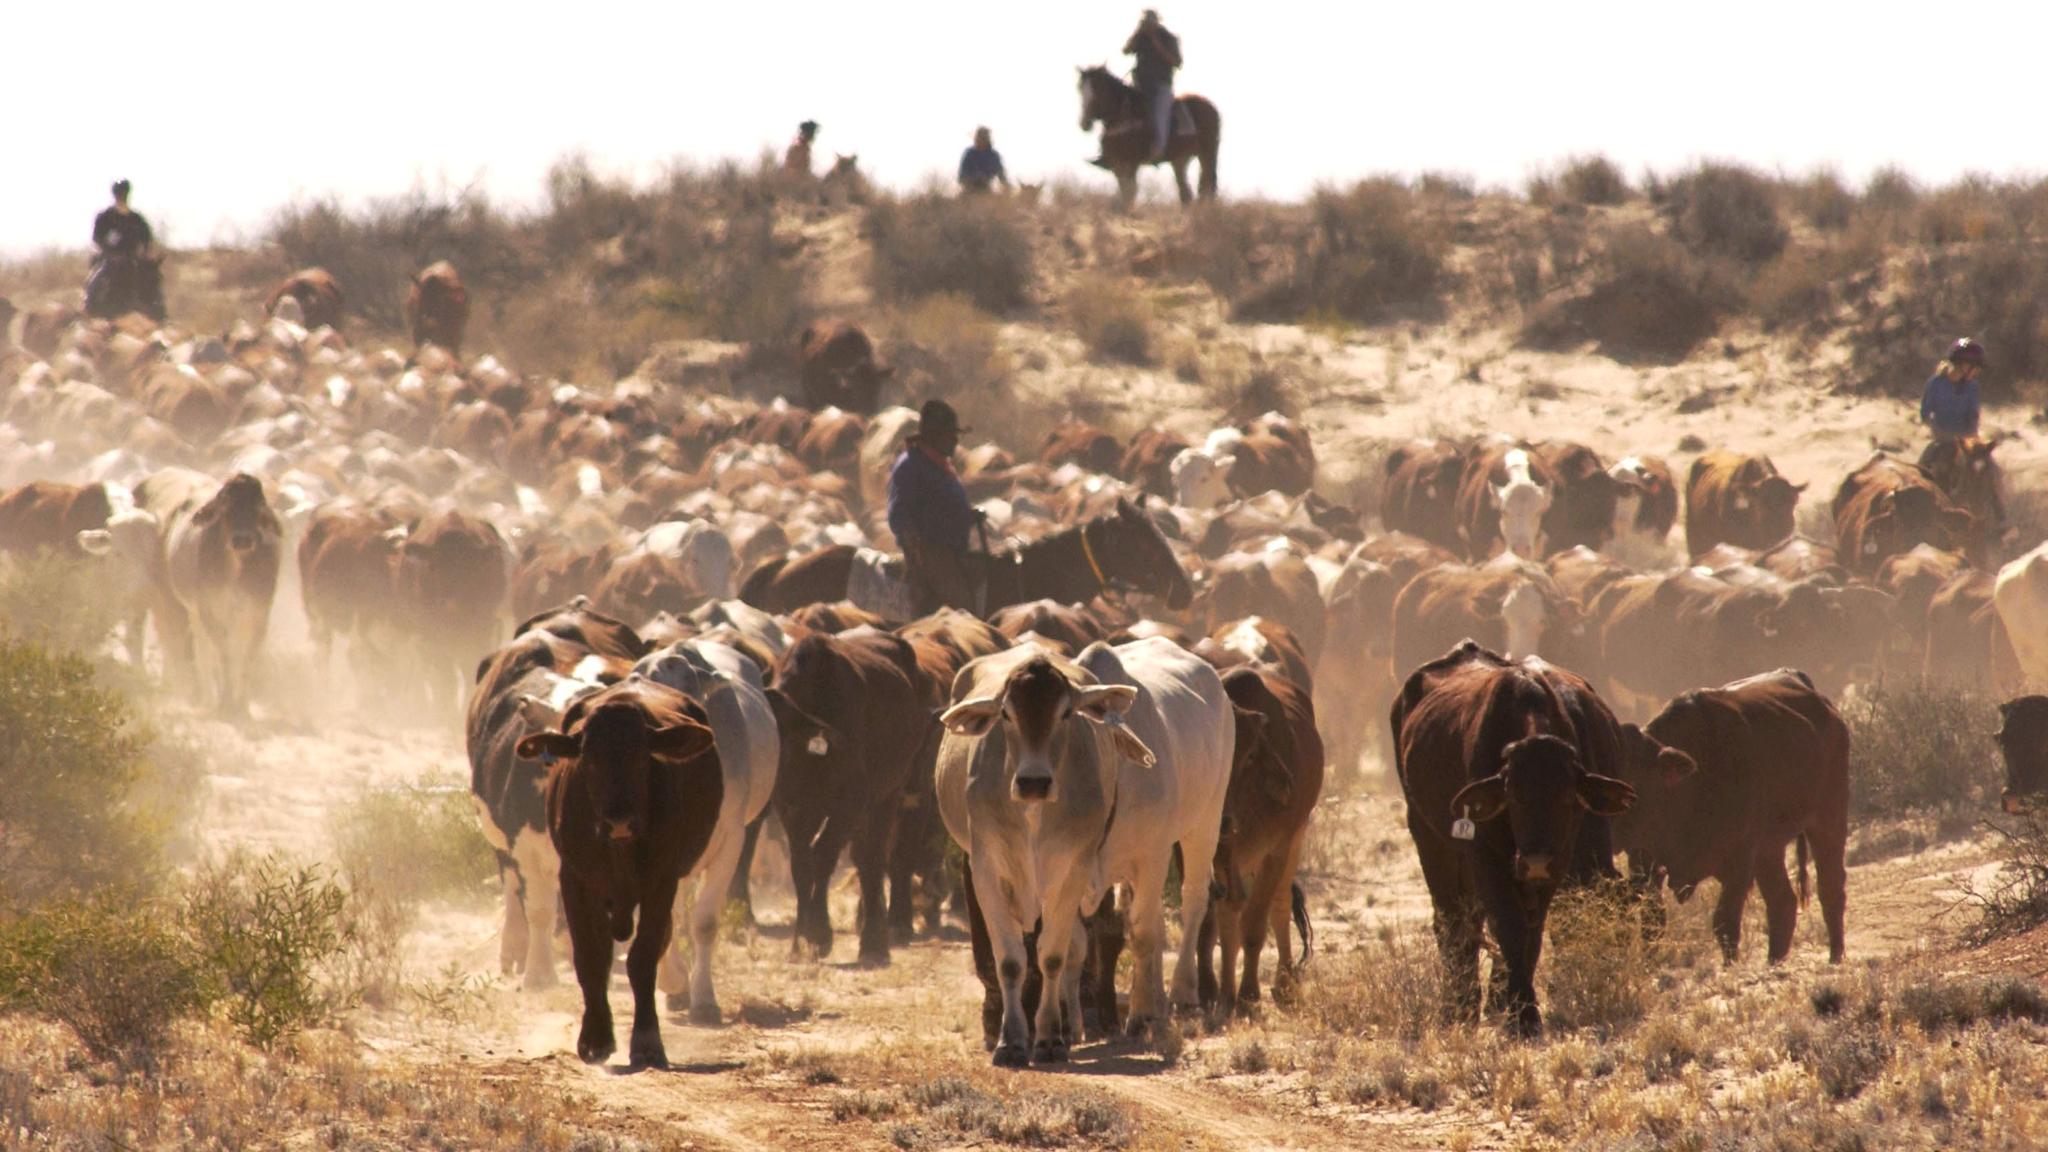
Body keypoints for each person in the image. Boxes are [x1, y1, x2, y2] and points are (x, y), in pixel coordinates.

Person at [887, 399, 983, 613]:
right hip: (931, 553)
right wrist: (917, 554)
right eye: (950, 434)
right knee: (963, 606)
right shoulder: (910, 465)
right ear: (935, 436)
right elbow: (899, 514)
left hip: (952, 550)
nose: (956, 440)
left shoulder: (939, 463)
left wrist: (968, 515)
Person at [1123, 9, 1182, 161]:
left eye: (1149, 23)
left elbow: (1176, 62)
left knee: (1159, 114)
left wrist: (1157, 44)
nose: (1147, 26)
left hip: (1161, 86)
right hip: (1140, 84)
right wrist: (1137, 33)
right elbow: (1126, 50)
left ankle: (1159, 147)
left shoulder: (1168, 38)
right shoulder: (1140, 37)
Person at [1921, 337, 1984, 441]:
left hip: (1964, 442)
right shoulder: (1935, 383)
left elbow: (1973, 417)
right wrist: (1936, 430)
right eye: (1974, 367)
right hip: (1941, 440)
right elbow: (1925, 414)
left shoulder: (1973, 387)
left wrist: (1971, 436)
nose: (1976, 371)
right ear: (1963, 365)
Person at [957, 127, 1010, 195]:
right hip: (969, 190)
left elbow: (1001, 175)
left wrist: (1006, 189)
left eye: (984, 138)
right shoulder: (969, 153)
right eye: (980, 137)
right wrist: (971, 181)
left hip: (986, 190)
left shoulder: (993, 155)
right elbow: (961, 176)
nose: (981, 140)